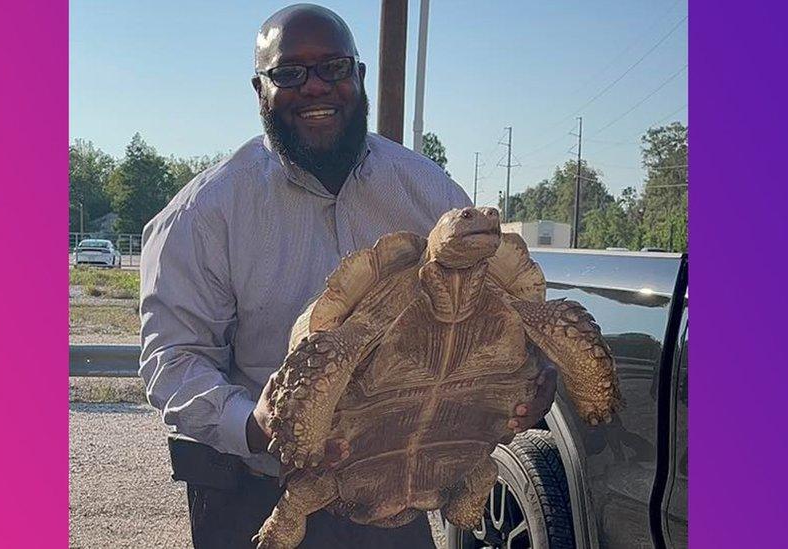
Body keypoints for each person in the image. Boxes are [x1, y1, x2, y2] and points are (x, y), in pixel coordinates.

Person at [139, 4, 557, 548]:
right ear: (259, 90)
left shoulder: (428, 194)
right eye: (289, 73)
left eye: (334, 68)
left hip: (403, 488)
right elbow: (172, 361)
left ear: (359, 77)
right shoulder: (203, 214)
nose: (316, 87)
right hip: (256, 494)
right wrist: (256, 425)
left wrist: (537, 370)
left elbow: (504, 306)